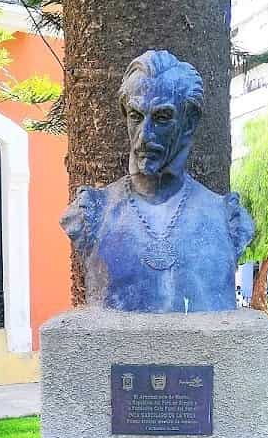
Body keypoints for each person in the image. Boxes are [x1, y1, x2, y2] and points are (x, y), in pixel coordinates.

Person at [61, 50, 254, 312]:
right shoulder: (91, 213)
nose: (144, 136)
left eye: (162, 118)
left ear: (189, 121)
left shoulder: (225, 217)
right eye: (136, 117)